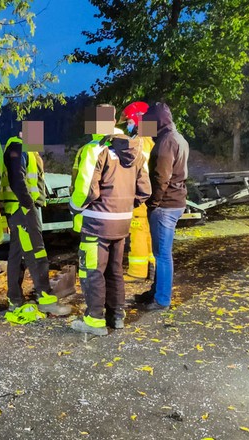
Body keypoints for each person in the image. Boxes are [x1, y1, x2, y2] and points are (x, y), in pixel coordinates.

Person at [69, 105, 151, 335]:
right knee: (114, 271)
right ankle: (116, 317)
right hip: (122, 222)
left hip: (97, 222)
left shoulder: (95, 149)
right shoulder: (137, 150)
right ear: (114, 120)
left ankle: (94, 320)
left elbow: (86, 191)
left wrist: (74, 209)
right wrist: (125, 207)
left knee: (92, 271)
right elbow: (145, 190)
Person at [0, 131, 71, 315]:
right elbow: (18, 179)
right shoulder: (18, 148)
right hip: (22, 209)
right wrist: (28, 204)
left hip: (17, 209)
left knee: (17, 253)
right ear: (23, 133)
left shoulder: (21, 150)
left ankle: (14, 299)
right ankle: (44, 296)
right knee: (36, 252)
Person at [134, 102, 189, 310]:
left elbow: (160, 178)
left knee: (162, 254)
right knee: (161, 253)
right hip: (175, 201)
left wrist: (152, 203)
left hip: (165, 205)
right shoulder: (178, 138)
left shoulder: (166, 142)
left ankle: (162, 299)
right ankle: (156, 292)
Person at [120, 102, 156, 282]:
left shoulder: (140, 142)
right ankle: (151, 267)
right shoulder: (150, 139)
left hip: (140, 194)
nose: (128, 125)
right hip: (150, 194)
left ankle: (137, 271)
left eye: (128, 121)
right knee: (148, 230)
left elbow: (138, 170)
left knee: (138, 230)